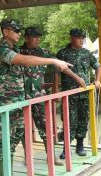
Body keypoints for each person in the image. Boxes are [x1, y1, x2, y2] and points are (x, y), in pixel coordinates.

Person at [0, 19, 72, 176]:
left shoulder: (13, 48)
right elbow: (26, 61)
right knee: (3, 145)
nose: (19, 33)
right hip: (5, 104)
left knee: (12, 143)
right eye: (15, 30)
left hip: (18, 102)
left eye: (19, 30)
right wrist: (53, 60)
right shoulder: (1, 49)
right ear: (6, 31)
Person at [20, 27, 85, 166]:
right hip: (20, 97)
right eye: (34, 36)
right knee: (23, 128)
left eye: (39, 36)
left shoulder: (44, 52)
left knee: (46, 127)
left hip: (39, 96)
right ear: (26, 38)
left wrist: (76, 78)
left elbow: (59, 67)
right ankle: (27, 156)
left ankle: (51, 157)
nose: (38, 39)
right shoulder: (18, 52)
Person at [55, 28, 101, 159]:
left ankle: (80, 145)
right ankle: (66, 148)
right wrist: (56, 89)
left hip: (84, 94)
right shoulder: (62, 53)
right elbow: (57, 72)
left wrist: (97, 80)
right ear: (71, 38)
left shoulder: (87, 53)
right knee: (69, 121)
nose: (81, 40)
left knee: (83, 119)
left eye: (83, 38)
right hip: (69, 95)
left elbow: (98, 66)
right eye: (78, 38)